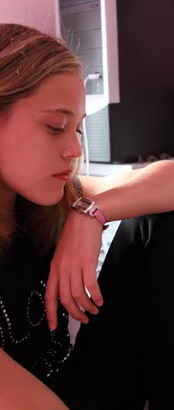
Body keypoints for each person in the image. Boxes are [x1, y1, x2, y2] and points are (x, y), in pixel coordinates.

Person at [46, 158, 174, 329]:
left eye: (77, 133)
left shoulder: (61, 190)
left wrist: (87, 213)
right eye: (54, 130)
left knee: (155, 220)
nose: (75, 149)